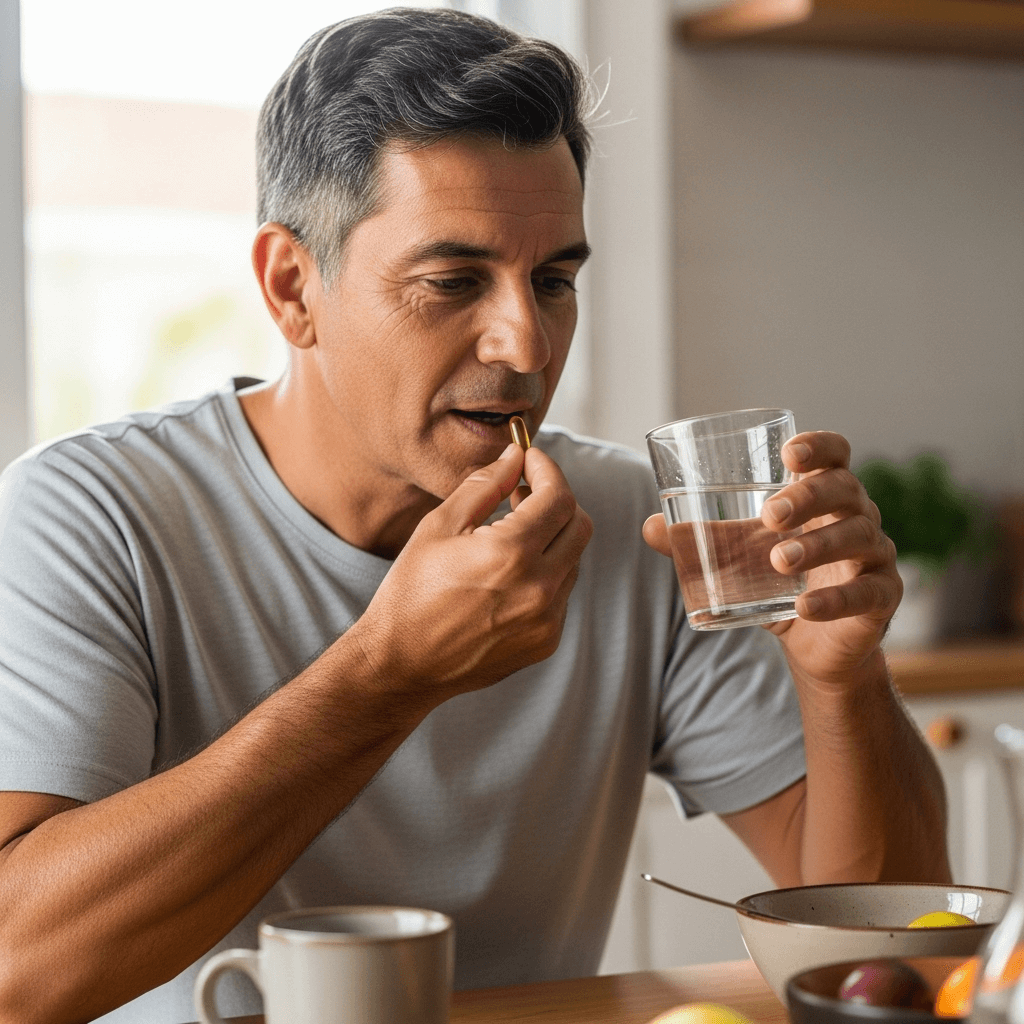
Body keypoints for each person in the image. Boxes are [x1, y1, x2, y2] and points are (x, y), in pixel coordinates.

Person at [0, 8, 948, 1023]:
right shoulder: (88, 515)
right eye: (452, 280)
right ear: (290, 288)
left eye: (553, 280)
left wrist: (841, 678)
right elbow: (17, 968)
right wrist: (386, 675)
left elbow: (881, 962)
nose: (527, 345)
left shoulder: (632, 524)